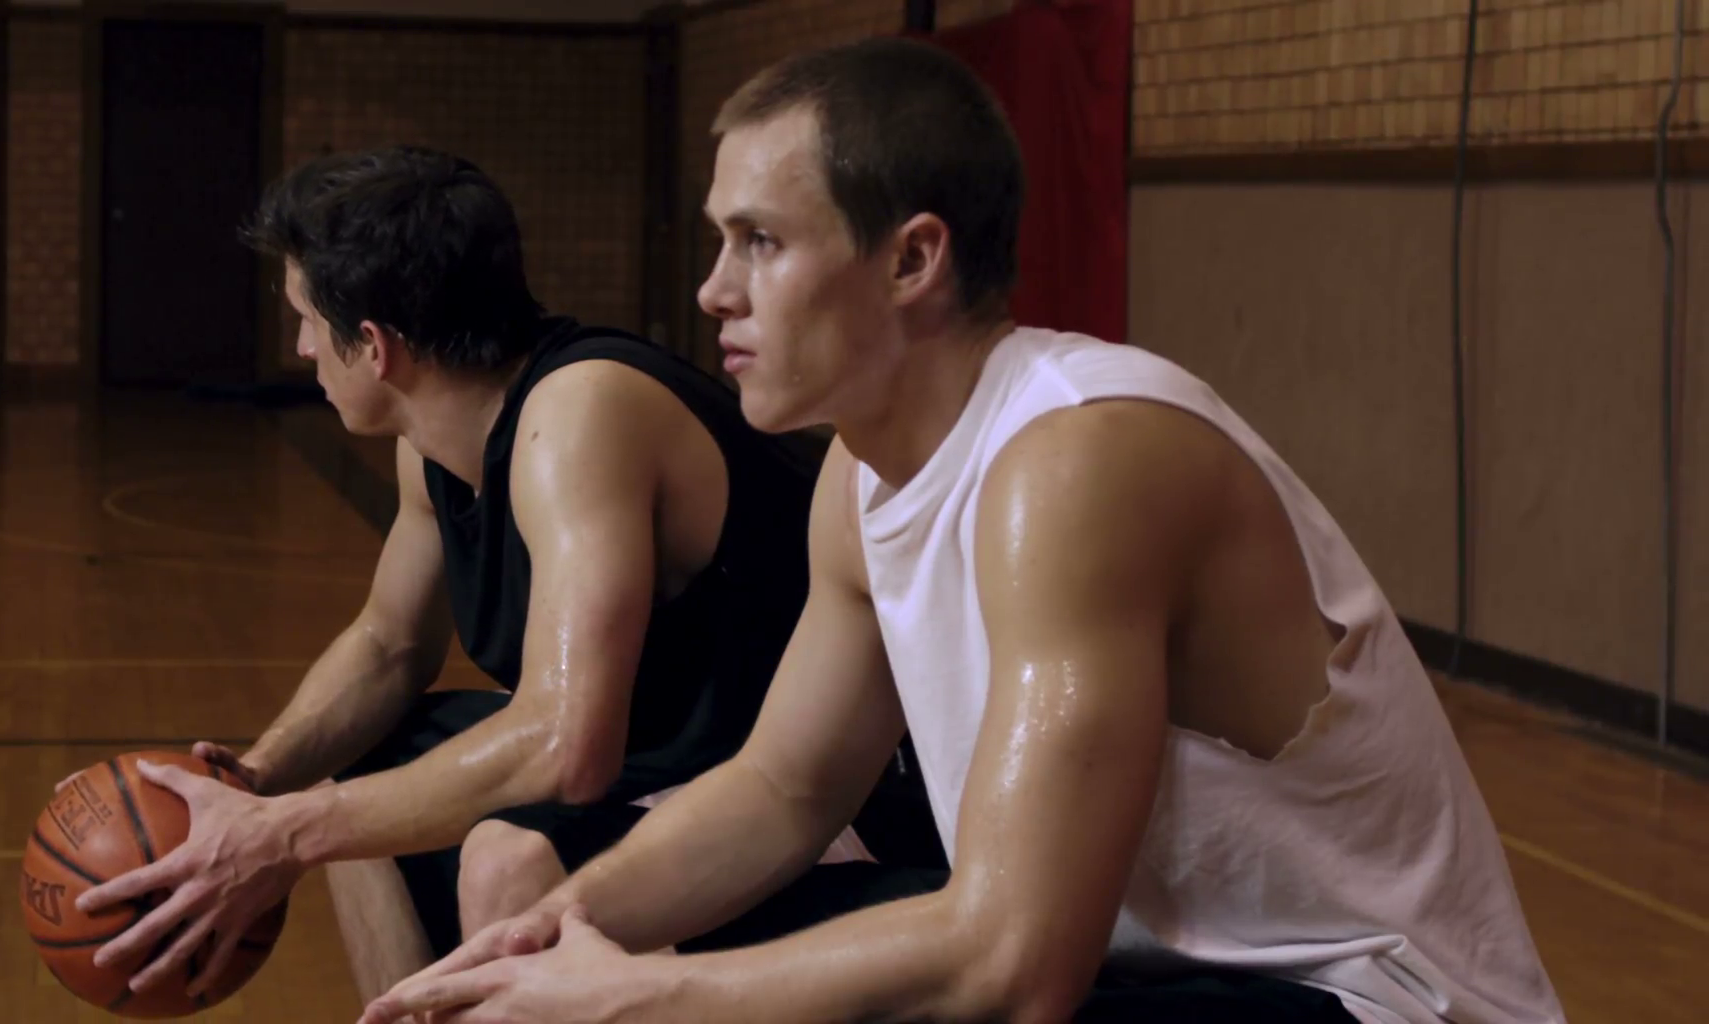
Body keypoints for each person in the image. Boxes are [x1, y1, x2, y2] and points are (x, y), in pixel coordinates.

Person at [359, 36, 1566, 1024]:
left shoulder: (1075, 460)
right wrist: (564, 922)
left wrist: (634, 997)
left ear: (911, 260)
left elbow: (1010, 967)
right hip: (1149, 967)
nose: (712, 291)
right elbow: (782, 790)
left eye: (760, 241)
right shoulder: (858, 476)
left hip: (1356, 995)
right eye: (720, 239)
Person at [66, 145, 945, 1002]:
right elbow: (387, 646)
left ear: (375, 346)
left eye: (305, 317)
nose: (300, 346)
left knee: (511, 853)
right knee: (357, 772)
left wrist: (281, 838)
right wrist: (250, 786)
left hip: (826, 806)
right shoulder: (440, 438)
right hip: (679, 772)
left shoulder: (578, 417)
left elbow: (569, 750)